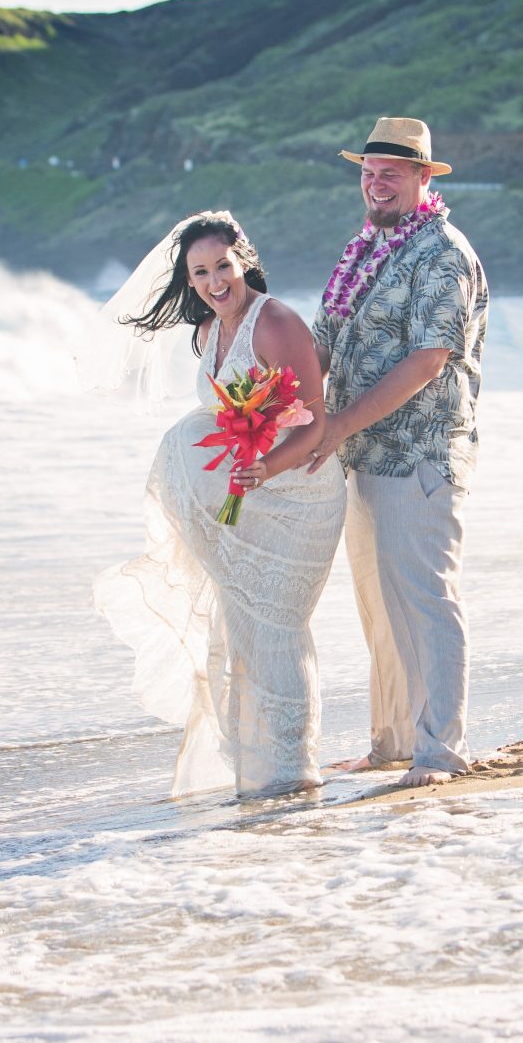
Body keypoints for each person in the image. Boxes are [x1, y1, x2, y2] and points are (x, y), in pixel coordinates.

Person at [89, 211, 345, 798]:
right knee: (242, 627)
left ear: (244, 260)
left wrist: (264, 467)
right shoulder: (206, 333)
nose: (214, 281)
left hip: (299, 495)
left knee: (277, 625)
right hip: (253, 499)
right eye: (199, 272)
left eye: (222, 266)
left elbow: (315, 426)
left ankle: (292, 772)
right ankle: (258, 772)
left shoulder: (275, 322)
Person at [308, 118, 488, 788]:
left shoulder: (441, 252)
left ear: (421, 178)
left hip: (421, 454)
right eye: (368, 171)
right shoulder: (364, 249)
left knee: (425, 598)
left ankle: (440, 752)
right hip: (359, 450)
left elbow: (428, 360)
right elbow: (324, 334)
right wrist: (279, 400)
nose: (375, 183)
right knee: (378, 606)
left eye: (391, 173)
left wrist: (337, 423)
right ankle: (390, 744)